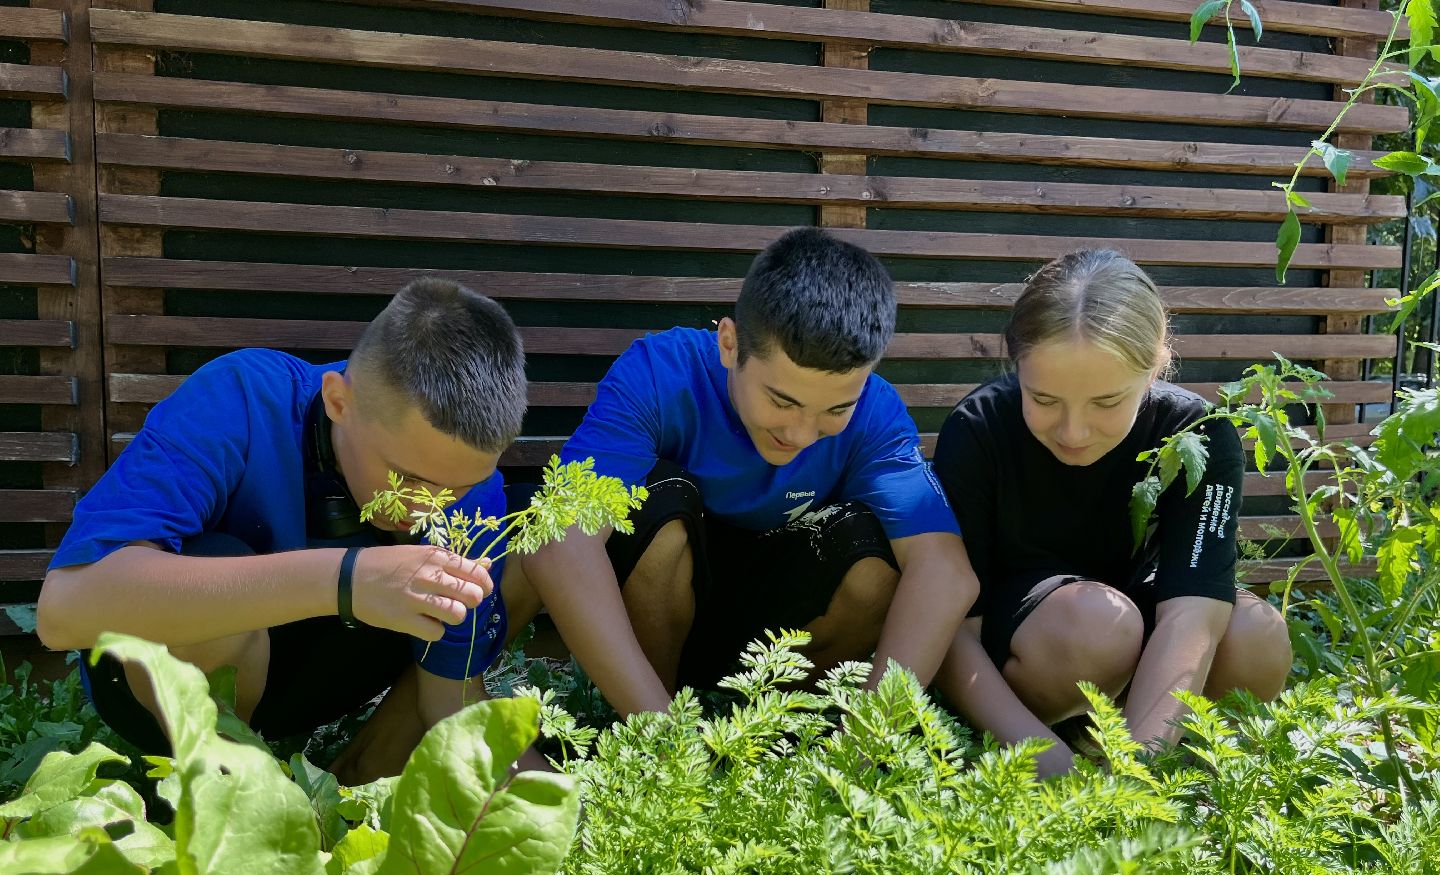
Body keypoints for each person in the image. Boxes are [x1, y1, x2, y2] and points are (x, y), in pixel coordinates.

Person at [36, 277, 528, 784]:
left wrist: (546, 796)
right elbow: (63, 611)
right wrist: (347, 579)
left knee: (517, 540)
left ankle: (358, 775)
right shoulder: (241, 398)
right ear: (338, 401)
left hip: (315, 684)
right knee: (214, 559)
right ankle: (231, 797)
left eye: (459, 487)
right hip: (164, 679)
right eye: (408, 479)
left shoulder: (474, 495)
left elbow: (450, 700)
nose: (430, 507)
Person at [502, 227, 977, 716]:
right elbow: (560, 542)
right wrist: (664, 737)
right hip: (654, 619)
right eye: (782, 401)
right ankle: (650, 719)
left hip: (773, 625)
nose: (801, 433)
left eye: (836, 410)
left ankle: (784, 725)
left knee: (875, 549)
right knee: (656, 499)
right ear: (729, 344)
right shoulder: (658, 373)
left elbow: (945, 572)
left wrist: (868, 736)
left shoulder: (878, 411)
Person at [931, 249, 1292, 777]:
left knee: (1256, 637)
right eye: (1044, 399)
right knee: (1099, 626)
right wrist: (1045, 760)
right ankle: (1050, 747)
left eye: (1106, 402)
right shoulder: (979, 429)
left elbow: (1195, 612)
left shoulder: (1198, 434)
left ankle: (1144, 760)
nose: (1073, 432)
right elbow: (952, 629)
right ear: (1017, 366)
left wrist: (1136, 776)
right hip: (1030, 653)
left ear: (1155, 368)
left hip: (1135, 638)